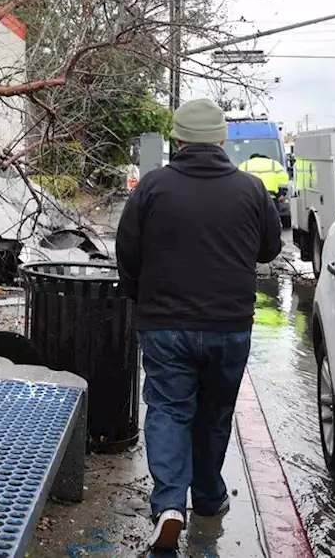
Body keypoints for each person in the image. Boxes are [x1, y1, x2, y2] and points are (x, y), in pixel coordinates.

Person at [115, 98, 282, 551]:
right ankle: (208, 497)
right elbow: (269, 249)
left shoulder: (151, 187)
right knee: (214, 414)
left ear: (179, 139)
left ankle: (169, 504)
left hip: (166, 324)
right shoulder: (251, 190)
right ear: (223, 139)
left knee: (169, 409)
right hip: (229, 325)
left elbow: (126, 252)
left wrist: (139, 296)